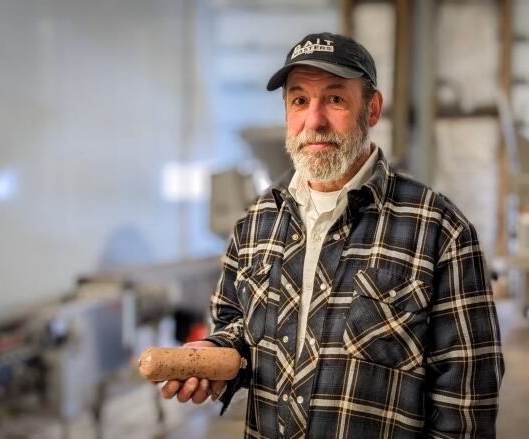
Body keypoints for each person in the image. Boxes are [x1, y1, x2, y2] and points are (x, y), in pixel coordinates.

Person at [161, 32, 504, 438]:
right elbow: (236, 323)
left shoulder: (438, 229)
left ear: (372, 109)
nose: (314, 121)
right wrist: (218, 353)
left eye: (335, 99)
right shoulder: (258, 220)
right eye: (299, 100)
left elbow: (466, 404)